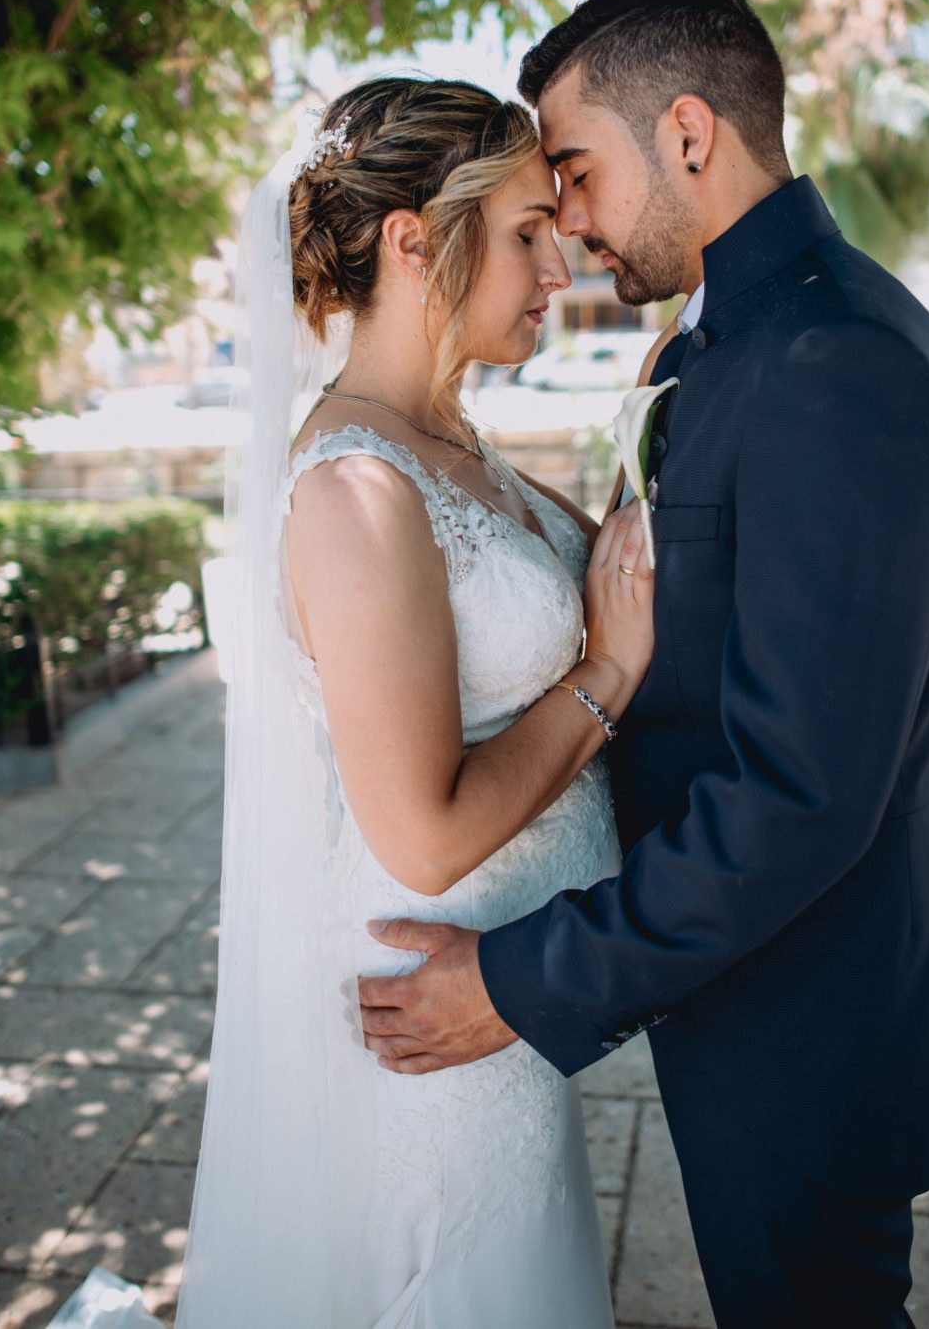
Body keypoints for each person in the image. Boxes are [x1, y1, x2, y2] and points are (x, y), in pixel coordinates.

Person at [356, 0, 929, 1328]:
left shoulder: (836, 361)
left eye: (580, 173)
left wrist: (519, 980)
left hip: (813, 1017)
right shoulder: (733, 341)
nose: (573, 222)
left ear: (692, 135)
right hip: (749, 987)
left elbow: (800, 792)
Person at [167, 77, 656, 1327]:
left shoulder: (451, 442)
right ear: (411, 240)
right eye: (526, 234)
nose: (561, 269)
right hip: (425, 1020)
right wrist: (605, 674)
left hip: (503, 1001)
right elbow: (423, 835)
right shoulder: (355, 494)